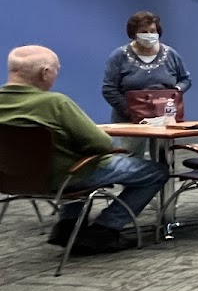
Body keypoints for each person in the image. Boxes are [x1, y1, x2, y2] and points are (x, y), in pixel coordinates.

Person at [0, 45, 169, 254]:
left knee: (75, 159)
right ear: (45, 73)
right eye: (56, 70)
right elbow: (101, 143)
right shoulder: (55, 103)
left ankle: (68, 226)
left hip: (10, 180)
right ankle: (104, 229)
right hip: (66, 177)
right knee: (156, 172)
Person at [101, 11, 191, 124]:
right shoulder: (119, 56)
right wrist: (131, 111)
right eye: (144, 32)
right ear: (134, 34)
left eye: (152, 31)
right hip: (128, 123)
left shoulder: (171, 54)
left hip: (165, 120)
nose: (149, 35)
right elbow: (109, 90)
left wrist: (176, 91)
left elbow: (185, 80)